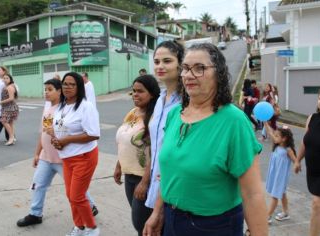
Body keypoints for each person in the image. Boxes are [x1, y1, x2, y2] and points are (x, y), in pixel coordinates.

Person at [143, 43, 268, 236]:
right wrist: (158, 212)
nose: (189, 75)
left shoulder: (233, 121)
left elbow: (253, 194)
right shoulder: (175, 114)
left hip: (213, 226)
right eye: (185, 68)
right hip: (171, 218)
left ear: (218, 73)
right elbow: (168, 173)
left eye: (199, 68)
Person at [16, 79, 98, 227]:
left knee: (75, 189)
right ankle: (35, 213)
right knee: (38, 184)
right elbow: (42, 133)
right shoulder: (47, 108)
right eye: (45, 89)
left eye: (50, 89)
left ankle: (90, 207)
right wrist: (37, 153)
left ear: (59, 91)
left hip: (62, 158)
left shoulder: (65, 109)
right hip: (46, 158)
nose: (46, 92)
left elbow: (76, 132)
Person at [47, 72, 100, 236]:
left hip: (84, 157)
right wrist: (57, 139)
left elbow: (93, 134)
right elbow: (60, 128)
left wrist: (67, 140)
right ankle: (79, 227)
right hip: (67, 157)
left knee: (77, 196)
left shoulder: (86, 106)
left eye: (72, 84)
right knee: (71, 195)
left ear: (79, 87)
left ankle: (92, 229)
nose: (67, 87)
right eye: (65, 84)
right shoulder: (62, 106)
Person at [114, 75, 160, 236]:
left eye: (140, 91)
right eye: (133, 91)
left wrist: (145, 182)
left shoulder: (155, 117)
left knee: (141, 222)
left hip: (144, 178)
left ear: (152, 94)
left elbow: (156, 151)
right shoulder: (132, 112)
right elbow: (123, 139)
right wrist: (119, 166)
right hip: (129, 176)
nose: (135, 94)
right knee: (140, 221)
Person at [144, 40, 184, 211]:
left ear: (181, 64)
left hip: (173, 188)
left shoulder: (185, 102)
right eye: (157, 62)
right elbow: (154, 144)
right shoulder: (160, 99)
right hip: (154, 182)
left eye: (167, 61)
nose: (160, 66)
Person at [294, 87, 320, 236]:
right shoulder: (312, 118)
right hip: (314, 171)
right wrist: (298, 160)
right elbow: (305, 142)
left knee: (318, 205)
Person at [263, 122, 297, 224]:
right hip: (275, 174)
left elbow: (295, 161)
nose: (274, 137)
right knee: (282, 193)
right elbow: (270, 131)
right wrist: (265, 122)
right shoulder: (277, 145)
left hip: (280, 176)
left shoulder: (288, 149)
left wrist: (296, 165)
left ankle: (267, 216)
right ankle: (286, 213)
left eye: (277, 136)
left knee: (275, 196)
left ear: (284, 138)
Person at [0, 74, 19, 146]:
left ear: (10, 79)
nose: (5, 79)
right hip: (8, 107)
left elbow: (11, 98)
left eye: (7, 78)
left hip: (9, 107)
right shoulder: (8, 86)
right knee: (10, 123)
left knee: (4, 121)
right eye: (4, 78)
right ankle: (12, 138)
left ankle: (11, 138)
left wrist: (0, 102)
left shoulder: (10, 87)